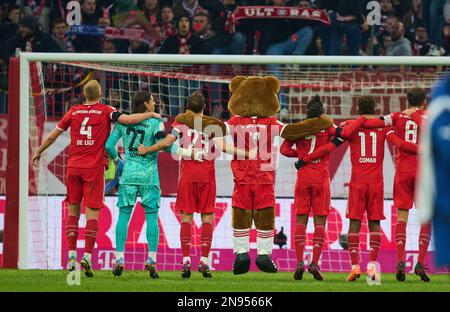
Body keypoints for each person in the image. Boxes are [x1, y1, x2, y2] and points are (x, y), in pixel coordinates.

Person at [31, 80, 161, 277]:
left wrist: (39, 151)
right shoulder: (106, 110)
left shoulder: (73, 111)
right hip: (94, 169)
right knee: (92, 213)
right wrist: (151, 115)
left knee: (73, 211)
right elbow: (127, 120)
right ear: (100, 92)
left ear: (84, 94)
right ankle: (88, 257)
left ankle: (72, 256)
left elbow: (53, 136)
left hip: (73, 167)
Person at [298, 96, 419, 282]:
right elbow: (399, 142)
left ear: (358, 108)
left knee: (354, 223)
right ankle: (372, 270)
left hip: (357, 183)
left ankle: (355, 267)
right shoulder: (384, 128)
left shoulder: (351, 128)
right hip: (377, 183)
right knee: (375, 224)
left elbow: (339, 135)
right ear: (375, 107)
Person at [138, 91, 248, 278]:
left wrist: (148, 149)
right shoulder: (212, 124)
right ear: (204, 107)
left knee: (186, 218)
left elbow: (167, 142)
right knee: (207, 218)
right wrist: (244, 152)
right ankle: (204, 262)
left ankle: (186, 260)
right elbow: (223, 147)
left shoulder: (180, 123)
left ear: (187, 107)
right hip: (207, 176)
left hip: (188, 176)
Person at [280, 95, 366, 281]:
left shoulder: (300, 128)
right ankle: (315, 263)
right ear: (322, 112)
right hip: (321, 178)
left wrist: (301, 154)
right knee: (320, 222)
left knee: (300, 221)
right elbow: (342, 136)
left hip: (303, 179)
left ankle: (299, 262)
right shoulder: (327, 126)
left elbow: (284, 150)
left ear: (307, 111)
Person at [361, 88, 431, 282]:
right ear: (424, 101)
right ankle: (420, 262)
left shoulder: (396, 116)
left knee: (402, 214)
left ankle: (400, 260)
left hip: (403, 172)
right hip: (424, 172)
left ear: (407, 100)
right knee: (426, 217)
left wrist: (386, 130)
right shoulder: (428, 116)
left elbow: (376, 123)